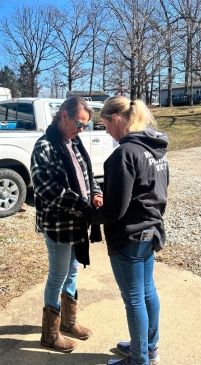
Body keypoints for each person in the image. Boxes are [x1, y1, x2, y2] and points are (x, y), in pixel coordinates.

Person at [85, 96, 169, 365]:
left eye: (105, 124)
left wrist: (88, 213)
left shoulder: (124, 154)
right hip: (150, 230)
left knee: (134, 299)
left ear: (117, 119)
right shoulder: (155, 150)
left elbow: (114, 211)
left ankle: (139, 359)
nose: (105, 130)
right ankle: (147, 347)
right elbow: (158, 193)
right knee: (147, 292)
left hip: (129, 236)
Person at [30, 96, 103, 353]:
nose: (81, 130)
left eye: (85, 125)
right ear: (63, 115)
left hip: (77, 223)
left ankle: (68, 322)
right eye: (79, 123)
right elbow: (46, 188)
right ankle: (49, 334)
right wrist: (82, 204)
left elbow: (88, 175)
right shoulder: (44, 147)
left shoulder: (75, 143)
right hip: (58, 224)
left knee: (72, 271)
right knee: (58, 275)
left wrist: (95, 194)